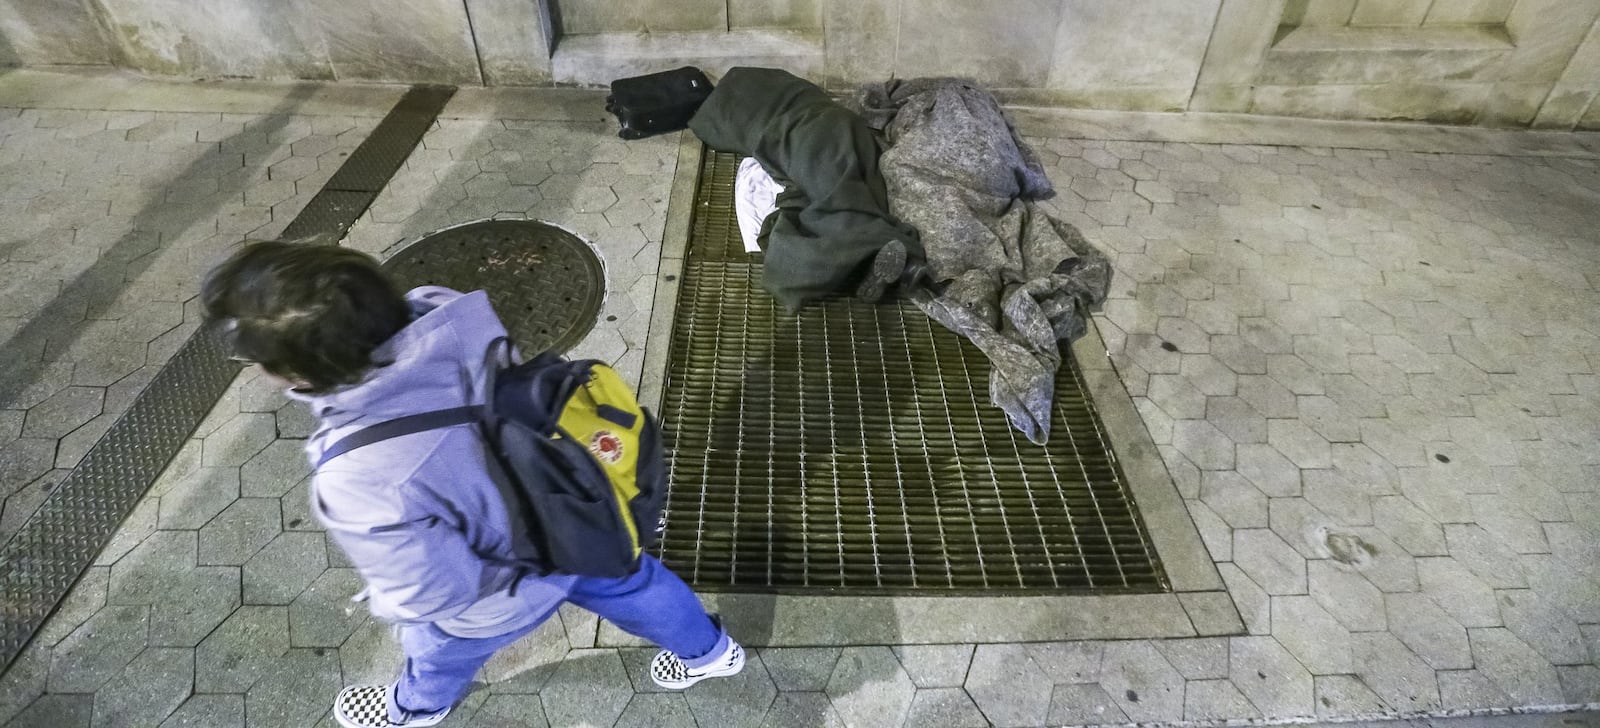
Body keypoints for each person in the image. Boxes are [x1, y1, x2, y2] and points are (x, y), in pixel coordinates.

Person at [200, 241, 743, 728]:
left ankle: (415, 708)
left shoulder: (359, 475)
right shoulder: (444, 306)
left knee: (439, 648)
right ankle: (711, 653)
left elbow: (436, 593)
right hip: (576, 509)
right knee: (635, 583)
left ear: (298, 373)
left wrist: (401, 617)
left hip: (505, 583)